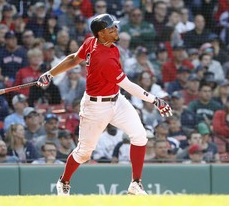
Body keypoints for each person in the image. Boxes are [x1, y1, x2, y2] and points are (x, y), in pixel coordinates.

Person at [37, 13, 172, 196]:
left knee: (140, 135)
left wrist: (49, 74)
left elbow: (73, 58)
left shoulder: (95, 42)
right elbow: (129, 86)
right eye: (111, 28)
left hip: (116, 100)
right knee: (84, 153)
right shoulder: (104, 59)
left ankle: (135, 183)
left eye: (115, 26)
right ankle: (64, 181)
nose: (116, 30)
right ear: (101, 34)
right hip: (95, 108)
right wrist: (155, 100)